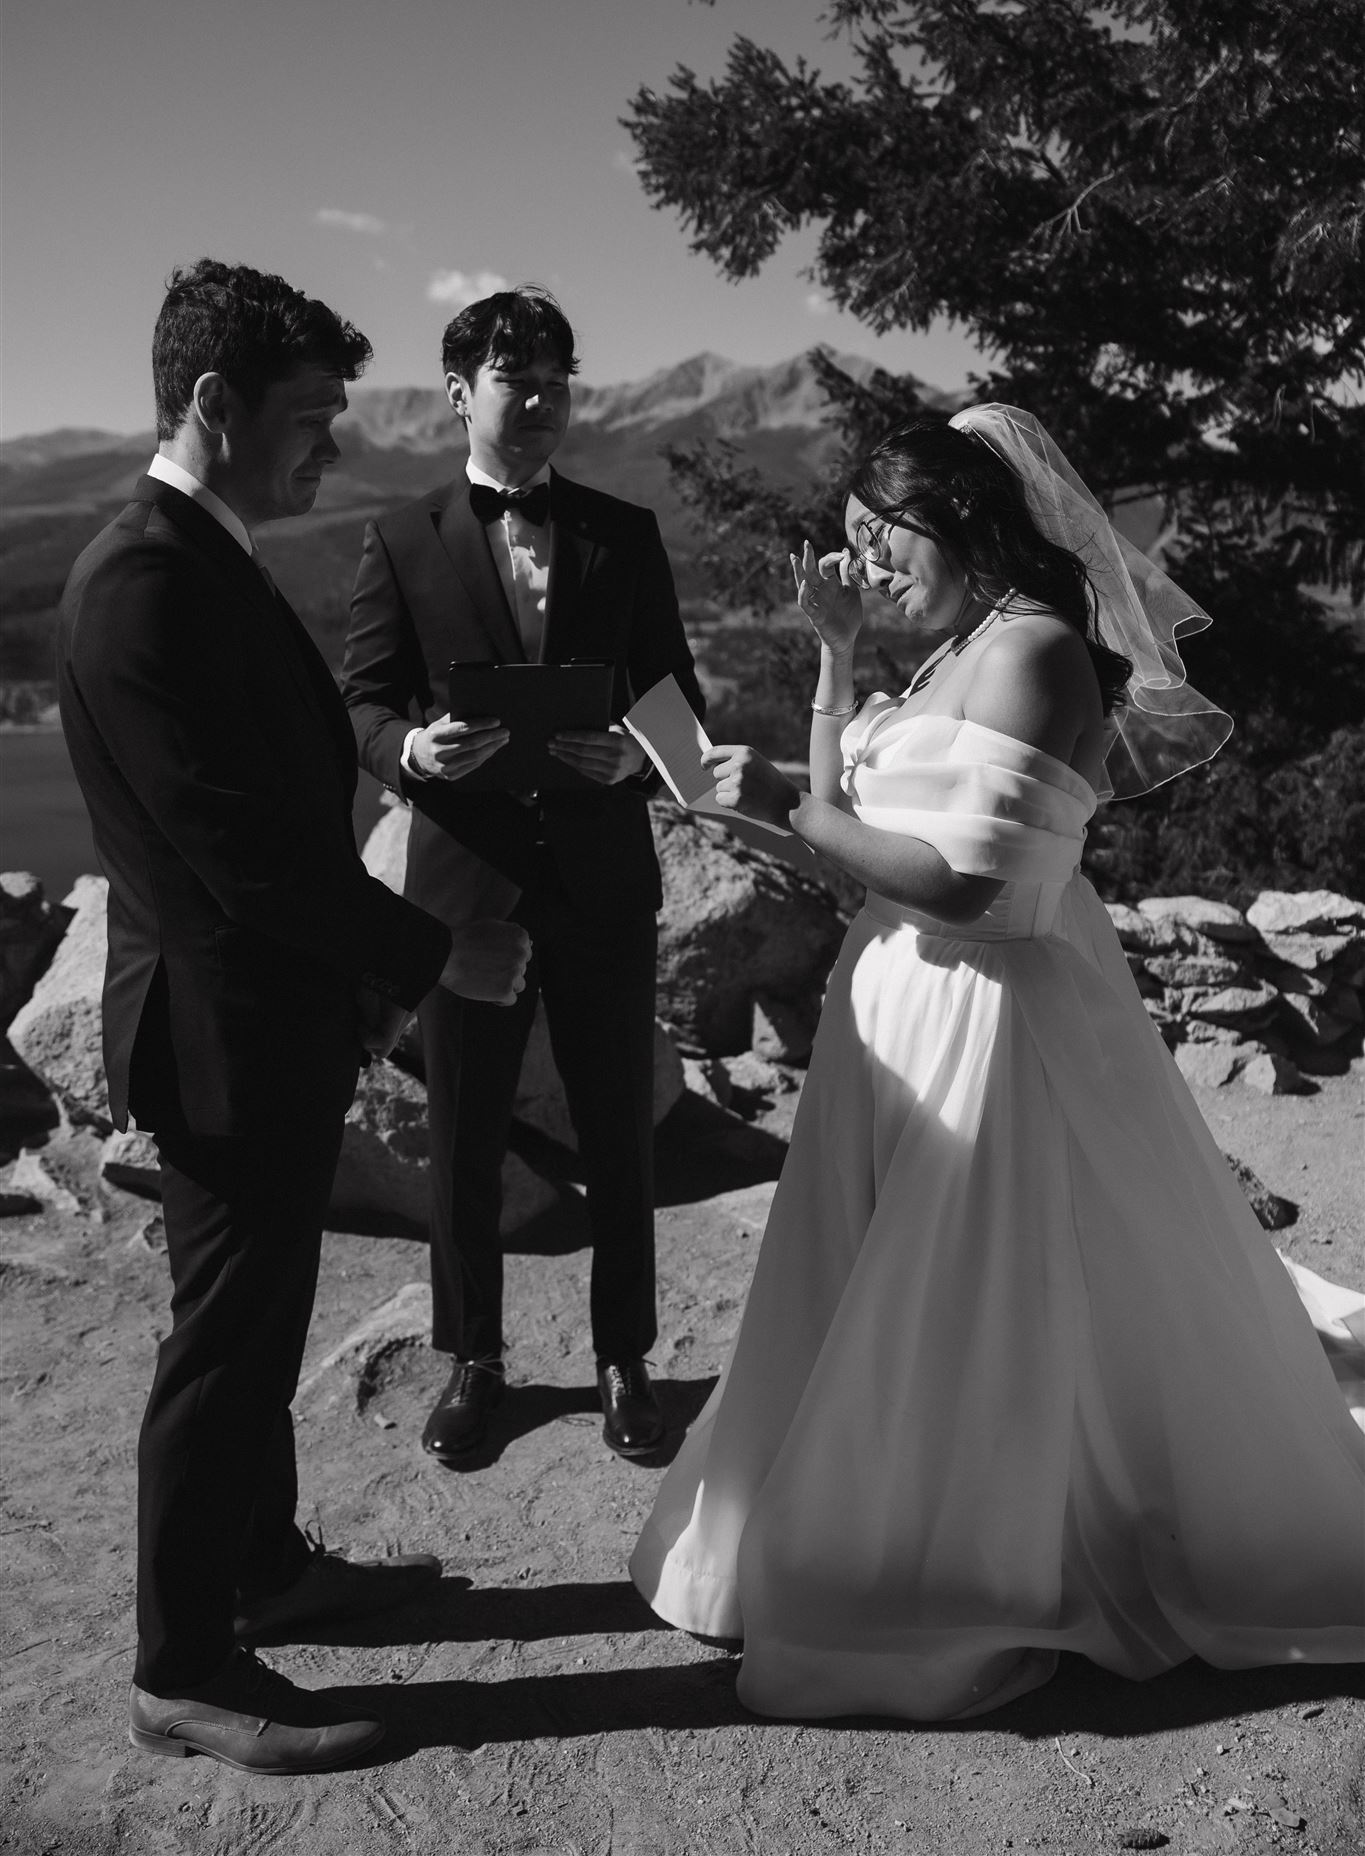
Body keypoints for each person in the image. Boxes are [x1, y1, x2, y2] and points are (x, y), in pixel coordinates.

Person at [630, 408, 1365, 1720]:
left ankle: (977, 1561)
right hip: (893, 1008)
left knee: (971, 1298)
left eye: (879, 544)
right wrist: (830, 660)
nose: (868, 567)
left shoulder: (1034, 656)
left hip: (987, 1022)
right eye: (853, 547)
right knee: (871, 1279)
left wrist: (794, 819)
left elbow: (978, 893)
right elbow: (845, 814)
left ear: (957, 521)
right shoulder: (945, 651)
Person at [57, 259, 532, 1776]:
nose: (334, 445)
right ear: (214, 406)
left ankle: (262, 1567)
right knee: (222, 1345)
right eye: (314, 417)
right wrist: (429, 950)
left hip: (262, 1022)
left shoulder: (208, 552)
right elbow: (235, 850)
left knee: (261, 1326)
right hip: (216, 1028)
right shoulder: (142, 577)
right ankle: (183, 1666)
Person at [342, 286, 704, 1463]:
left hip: (601, 873)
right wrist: (409, 748)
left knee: (620, 1133)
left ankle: (624, 1360)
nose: (543, 395)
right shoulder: (396, 538)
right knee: (463, 1128)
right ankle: (472, 1359)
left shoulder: (624, 533)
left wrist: (635, 754)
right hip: (464, 885)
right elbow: (362, 700)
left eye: (557, 376)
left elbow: (679, 704)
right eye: (518, 376)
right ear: (461, 391)